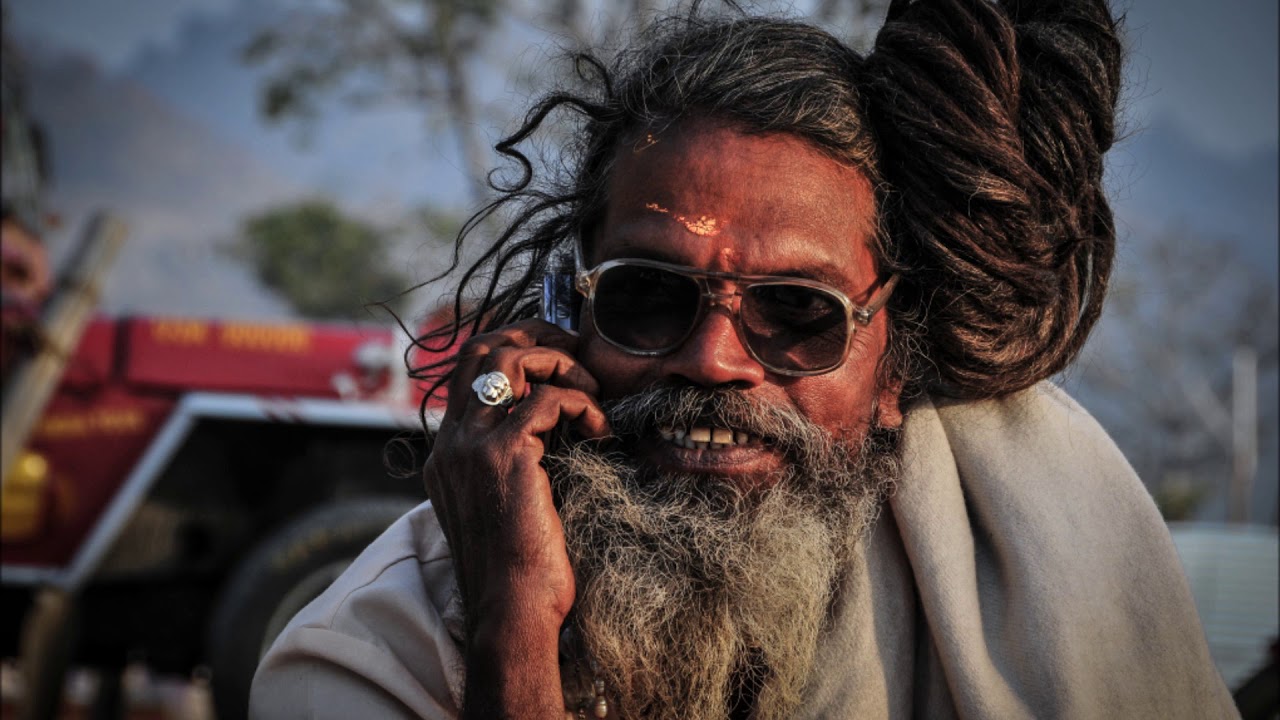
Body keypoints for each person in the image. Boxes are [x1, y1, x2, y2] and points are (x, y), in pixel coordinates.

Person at [251, 1, 1237, 718]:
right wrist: (514, 625)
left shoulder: (1016, 567)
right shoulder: (370, 655)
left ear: (890, 365)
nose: (714, 360)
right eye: (647, 297)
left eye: (795, 315)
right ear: (564, 316)